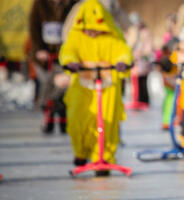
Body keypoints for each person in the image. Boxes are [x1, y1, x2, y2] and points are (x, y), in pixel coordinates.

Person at [59, 0, 132, 176]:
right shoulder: (76, 37)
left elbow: (123, 50)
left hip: (107, 88)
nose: (92, 33)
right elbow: (68, 50)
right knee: (78, 119)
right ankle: (81, 152)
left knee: (107, 121)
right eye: (88, 29)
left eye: (95, 29)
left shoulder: (112, 38)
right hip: (82, 87)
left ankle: (104, 157)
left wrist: (123, 62)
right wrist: (71, 62)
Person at [29, 0, 77, 134]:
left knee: (64, 86)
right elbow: (33, 27)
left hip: (65, 53)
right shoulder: (40, 4)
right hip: (45, 54)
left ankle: (62, 113)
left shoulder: (73, 4)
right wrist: (38, 49)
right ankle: (47, 109)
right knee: (48, 84)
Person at [124, 12, 153, 111]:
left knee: (143, 82)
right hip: (134, 62)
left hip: (143, 63)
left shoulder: (145, 32)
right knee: (134, 83)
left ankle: (144, 101)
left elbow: (148, 46)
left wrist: (143, 53)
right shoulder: (129, 32)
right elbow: (127, 44)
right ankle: (136, 100)